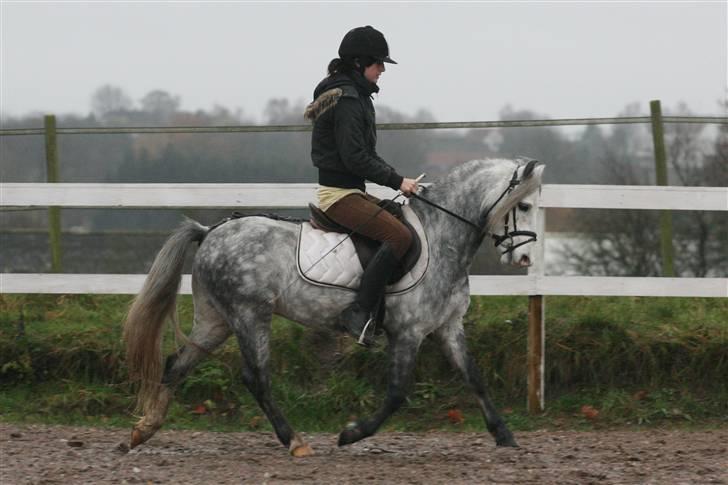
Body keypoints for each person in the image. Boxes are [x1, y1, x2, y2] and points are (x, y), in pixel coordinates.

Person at [304, 26, 419, 347]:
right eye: (378, 63)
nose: (382, 69)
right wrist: (398, 181)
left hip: (350, 191)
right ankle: (359, 313)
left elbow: (363, 155)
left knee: (400, 218)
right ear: (359, 63)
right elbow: (355, 158)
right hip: (339, 196)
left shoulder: (354, 96)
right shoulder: (349, 100)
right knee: (398, 235)